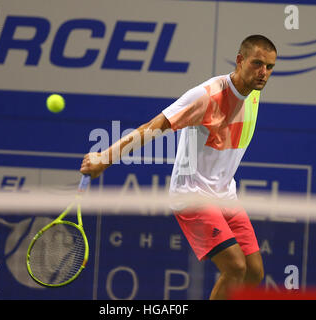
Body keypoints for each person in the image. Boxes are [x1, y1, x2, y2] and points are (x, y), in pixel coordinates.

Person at [80, 34, 277, 300]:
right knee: (235, 267)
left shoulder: (253, 93)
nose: (263, 73)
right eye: (257, 64)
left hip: (225, 195)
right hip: (192, 195)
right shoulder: (206, 96)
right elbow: (152, 128)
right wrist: (105, 158)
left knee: (254, 272)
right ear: (240, 61)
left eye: (269, 67)